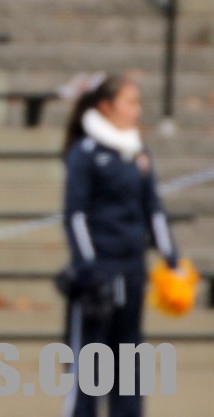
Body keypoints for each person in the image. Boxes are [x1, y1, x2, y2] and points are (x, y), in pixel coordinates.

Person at [60, 73, 179, 417]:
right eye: (131, 102)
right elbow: (76, 215)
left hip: (132, 270)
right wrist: (88, 268)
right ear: (106, 106)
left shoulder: (138, 151)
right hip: (98, 274)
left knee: (129, 363)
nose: (137, 110)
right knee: (89, 366)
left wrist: (171, 257)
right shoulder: (84, 153)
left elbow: (153, 208)